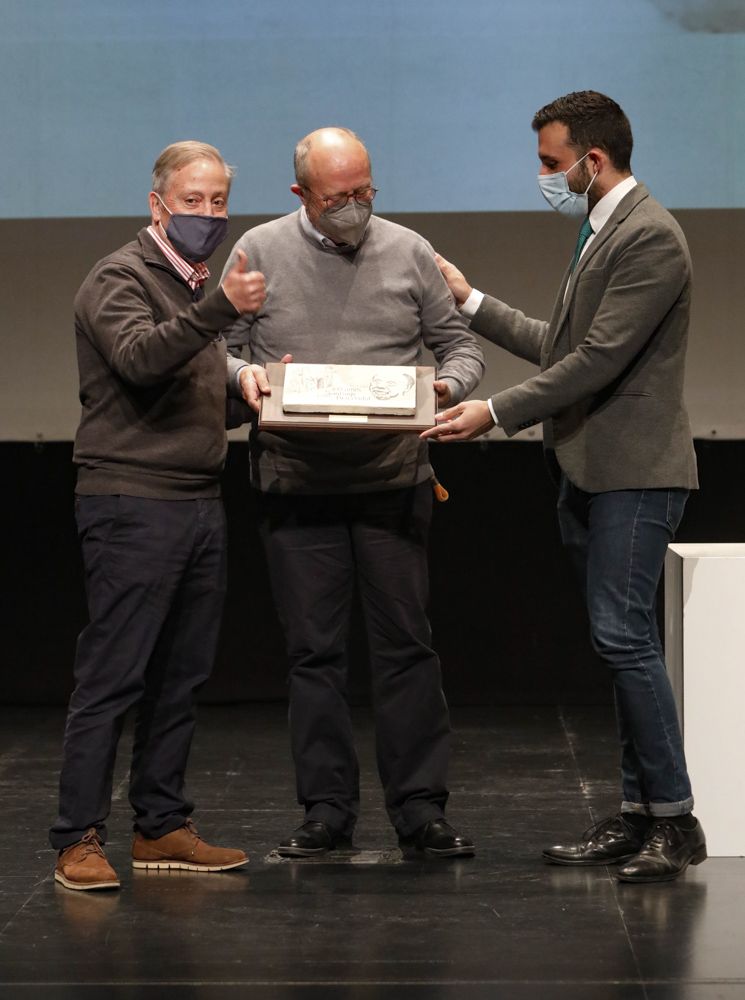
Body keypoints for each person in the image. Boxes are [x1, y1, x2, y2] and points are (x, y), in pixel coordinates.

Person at [423, 91, 706, 883]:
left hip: (633, 471)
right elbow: (560, 345)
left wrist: (492, 411)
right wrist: (469, 301)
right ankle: (636, 813)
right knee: (617, 644)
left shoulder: (649, 235)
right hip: (590, 465)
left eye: (550, 163)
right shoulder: (601, 228)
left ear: (591, 159)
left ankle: (675, 820)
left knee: (624, 639)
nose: (543, 176)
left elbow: (596, 362)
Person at [222, 127, 485, 859]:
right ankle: (326, 811)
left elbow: (462, 348)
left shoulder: (406, 251)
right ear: (300, 193)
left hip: (390, 481)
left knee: (405, 648)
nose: (354, 208)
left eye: (364, 193)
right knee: (314, 655)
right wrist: (238, 377)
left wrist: (442, 388)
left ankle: (419, 810)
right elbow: (220, 343)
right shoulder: (260, 251)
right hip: (294, 484)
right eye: (337, 197)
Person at [50, 140, 271, 891]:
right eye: (192, 201)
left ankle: (160, 825)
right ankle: (77, 836)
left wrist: (263, 405)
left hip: (197, 500)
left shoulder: (194, 288)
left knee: (181, 675)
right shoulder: (120, 277)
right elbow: (141, 362)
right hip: (131, 501)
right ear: (157, 205)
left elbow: (188, 403)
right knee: (113, 677)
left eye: (218, 203)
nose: (207, 215)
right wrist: (217, 313)